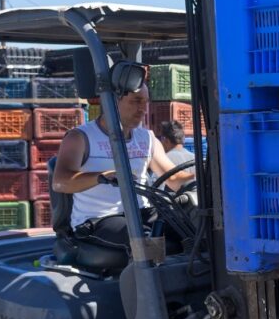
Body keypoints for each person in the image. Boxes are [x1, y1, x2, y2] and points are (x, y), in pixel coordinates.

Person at [52, 82, 195, 252]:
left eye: (145, 102)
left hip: (141, 214)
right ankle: (155, 277)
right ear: (112, 101)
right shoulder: (80, 138)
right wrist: (102, 177)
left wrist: (203, 173)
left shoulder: (147, 138)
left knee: (193, 229)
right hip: (99, 220)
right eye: (136, 101)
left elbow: (173, 179)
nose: (143, 108)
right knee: (146, 243)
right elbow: (60, 182)